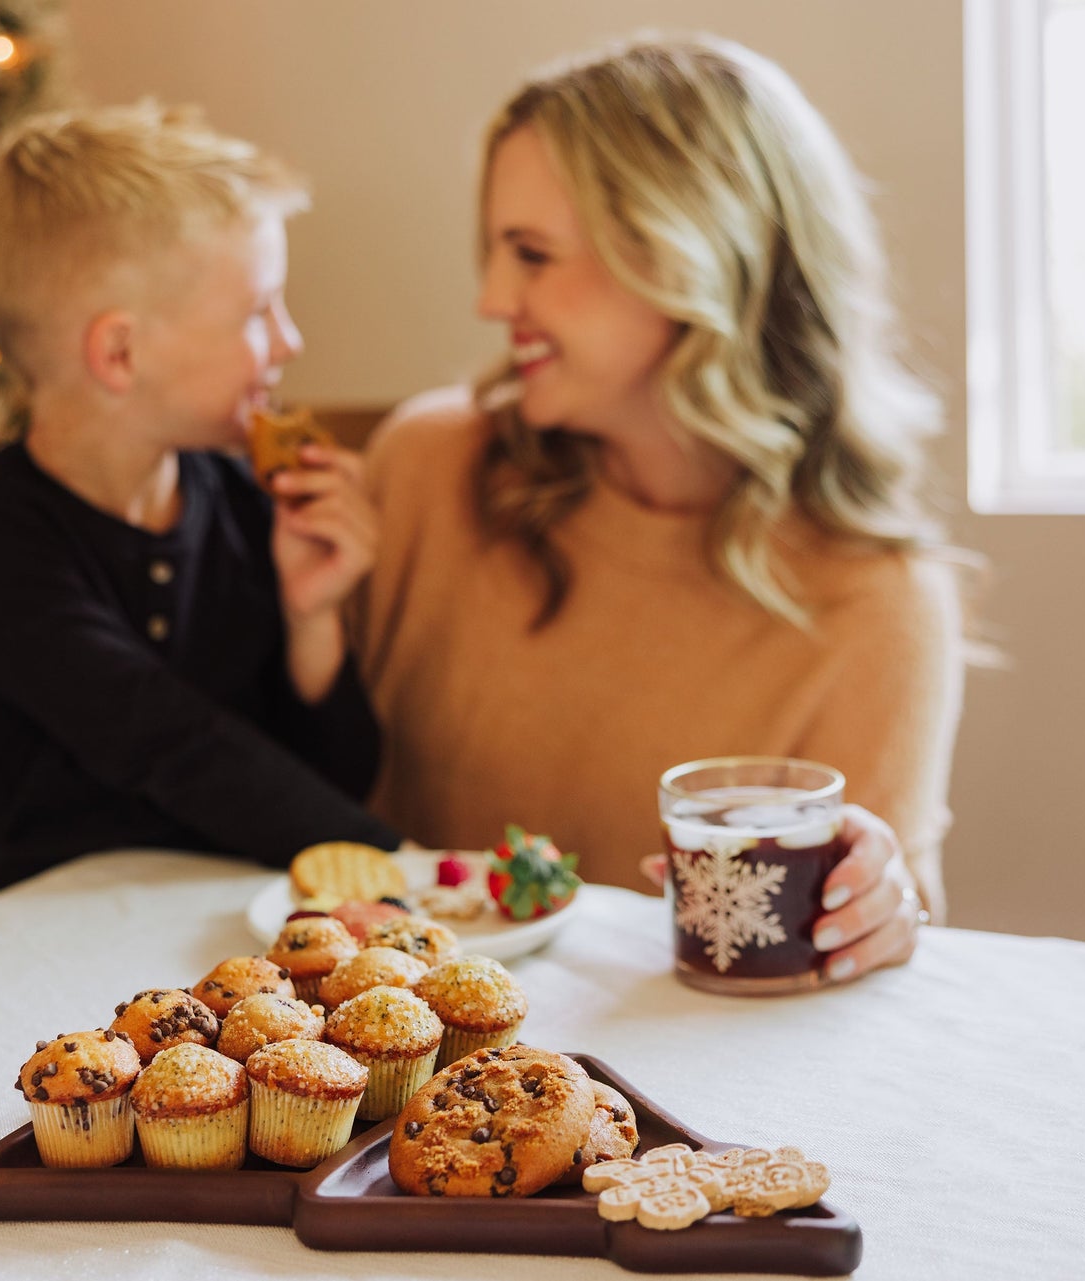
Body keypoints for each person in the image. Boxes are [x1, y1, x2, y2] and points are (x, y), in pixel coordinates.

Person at [345, 35, 970, 982]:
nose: (491, 298)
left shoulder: (877, 603)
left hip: (654, 1105)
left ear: (690, 257)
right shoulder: (428, 468)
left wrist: (884, 903)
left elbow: (864, 955)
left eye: (533, 253)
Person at [0, 102, 399, 902]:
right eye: (256, 312)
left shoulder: (248, 502)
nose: (289, 341)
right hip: (44, 945)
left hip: (238, 939)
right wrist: (402, 862)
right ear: (119, 352)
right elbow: (170, 745)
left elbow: (333, 778)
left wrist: (313, 619)